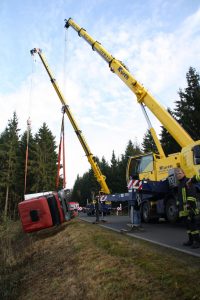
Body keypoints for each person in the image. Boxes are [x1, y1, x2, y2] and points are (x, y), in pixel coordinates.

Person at [176, 168, 200, 249]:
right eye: (177, 174)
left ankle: (198, 242)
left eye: (179, 173)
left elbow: (192, 193)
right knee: (188, 226)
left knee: (193, 226)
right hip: (183, 209)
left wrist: (189, 206)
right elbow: (180, 197)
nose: (178, 175)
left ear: (183, 173)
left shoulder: (188, 181)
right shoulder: (179, 184)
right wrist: (178, 206)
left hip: (190, 208)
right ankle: (191, 240)